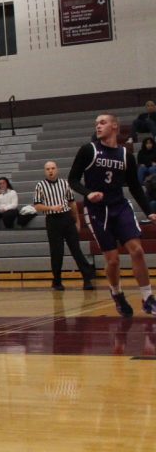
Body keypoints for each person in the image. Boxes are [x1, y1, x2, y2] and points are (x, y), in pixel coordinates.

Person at [67, 113, 156, 317]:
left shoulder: (126, 155)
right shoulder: (89, 150)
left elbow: (135, 187)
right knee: (113, 259)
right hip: (97, 210)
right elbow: (72, 179)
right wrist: (88, 193)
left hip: (120, 206)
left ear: (114, 126)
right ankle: (116, 293)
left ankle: (148, 298)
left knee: (137, 251)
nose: (98, 126)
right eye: (96, 124)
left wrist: (149, 212)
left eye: (103, 122)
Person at [34, 160, 95, 290]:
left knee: (76, 249)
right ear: (45, 171)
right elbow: (37, 206)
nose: (50, 171)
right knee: (57, 252)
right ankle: (57, 281)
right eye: (48, 169)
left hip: (67, 218)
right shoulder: (40, 185)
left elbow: (72, 203)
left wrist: (77, 221)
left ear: (57, 169)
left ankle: (87, 279)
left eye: (53, 168)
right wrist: (51, 207)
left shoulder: (64, 183)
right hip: (52, 220)